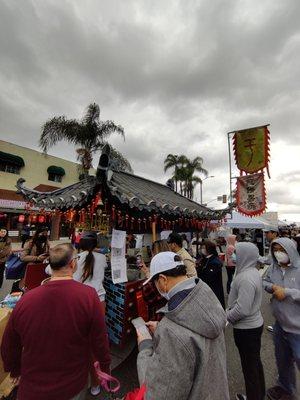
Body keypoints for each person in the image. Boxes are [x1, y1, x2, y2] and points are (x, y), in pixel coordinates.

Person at [1, 243, 111, 400]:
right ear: (73, 264)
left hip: (32, 387)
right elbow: (99, 339)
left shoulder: (26, 300)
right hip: (72, 385)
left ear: (50, 267)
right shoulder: (88, 296)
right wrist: (105, 367)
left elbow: (9, 344)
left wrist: (15, 369)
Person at [136, 251, 229, 400]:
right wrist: (160, 328)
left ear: (163, 279)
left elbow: (158, 393)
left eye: (154, 283)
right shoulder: (205, 294)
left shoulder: (171, 329)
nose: (156, 287)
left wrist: (145, 348)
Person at [227, 242, 265, 400]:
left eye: (236, 252)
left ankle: (254, 396)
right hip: (253, 325)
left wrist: (226, 317)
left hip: (246, 329)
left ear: (245, 255)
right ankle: (259, 394)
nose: (233, 255)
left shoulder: (245, 278)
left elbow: (242, 309)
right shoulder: (251, 272)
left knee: (249, 368)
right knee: (254, 363)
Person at [263, 238, 300, 400]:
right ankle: (286, 389)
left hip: (298, 329)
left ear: (291, 250)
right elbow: (264, 281)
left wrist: (288, 292)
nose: (279, 253)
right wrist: (272, 287)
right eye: (275, 249)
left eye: (282, 250)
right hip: (280, 325)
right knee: (283, 361)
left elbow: (290, 292)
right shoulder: (273, 268)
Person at [73, 231, 107, 396]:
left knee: (79, 341)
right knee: (96, 343)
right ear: (95, 244)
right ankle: (96, 383)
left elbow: (50, 268)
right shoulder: (102, 258)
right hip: (99, 301)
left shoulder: (76, 259)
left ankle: (79, 381)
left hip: (80, 302)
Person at [197, 240, 225, 308]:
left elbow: (208, 277)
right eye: (201, 247)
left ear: (209, 249)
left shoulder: (214, 262)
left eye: (203, 247)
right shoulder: (204, 259)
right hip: (206, 290)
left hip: (213, 291)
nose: (201, 249)